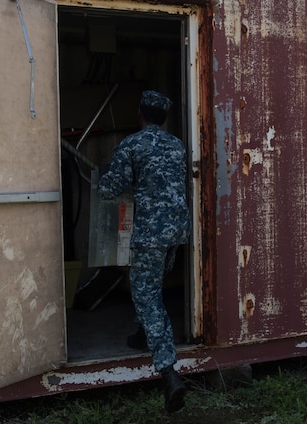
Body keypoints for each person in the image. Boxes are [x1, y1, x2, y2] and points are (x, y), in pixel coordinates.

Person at [97, 90, 189, 414]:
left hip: (150, 233)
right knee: (151, 287)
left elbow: (111, 187)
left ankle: (169, 373)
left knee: (147, 297)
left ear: (141, 114)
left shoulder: (132, 145)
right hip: (176, 232)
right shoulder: (176, 145)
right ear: (162, 117)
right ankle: (141, 333)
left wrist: (102, 175)